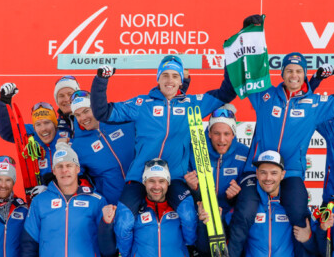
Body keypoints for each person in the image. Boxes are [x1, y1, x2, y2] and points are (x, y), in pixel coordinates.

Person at [237, 45, 334, 238]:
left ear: (304, 74)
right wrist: (243, 41)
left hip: (291, 172)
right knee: (244, 215)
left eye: (298, 71)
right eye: (289, 70)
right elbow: (244, 76)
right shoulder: (265, 96)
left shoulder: (314, 105)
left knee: (299, 216)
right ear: (282, 73)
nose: (293, 75)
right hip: (258, 170)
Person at [90, 58, 235, 213]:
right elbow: (102, 112)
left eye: (175, 76)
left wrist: (230, 59)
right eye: (165, 75)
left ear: (181, 81)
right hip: (140, 175)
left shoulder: (192, 104)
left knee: (188, 214)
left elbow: (227, 92)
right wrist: (101, 80)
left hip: (175, 176)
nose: (170, 80)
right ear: (158, 78)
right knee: (124, 218)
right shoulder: (142, 104)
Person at [70, 89, 135, 257]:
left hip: (139, 206)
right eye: (77, 114)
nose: (83, 118)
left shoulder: (124, 121)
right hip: (108, 214)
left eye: (86, 110)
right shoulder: (77, 145)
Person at [183, 104, 249, 257]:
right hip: (203, 222)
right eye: (217, 133)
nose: (222, 140)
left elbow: (251, 193)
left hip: (231, 224)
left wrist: (235, 198)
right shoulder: (195, 151)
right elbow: (178, 189)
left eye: (227, 134)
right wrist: (193, 191)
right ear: (208, 133)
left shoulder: (244, 153)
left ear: (234, 134)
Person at [0, 83, 65, 188]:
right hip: (39, 192)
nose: (43, 128)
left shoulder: (65, 133)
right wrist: (4, 103)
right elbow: (7, 131)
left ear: (55, 124)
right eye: (38, 124)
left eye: (47, 122)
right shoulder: (30, 133)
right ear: (34, 127)